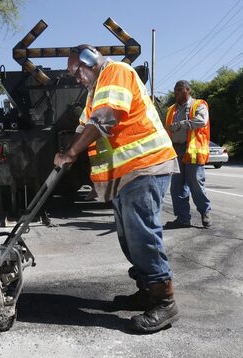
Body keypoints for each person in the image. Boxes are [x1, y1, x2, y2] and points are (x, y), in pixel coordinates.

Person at [54, 45, 180, 333]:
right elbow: (85, 125)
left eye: (77, 71)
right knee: (129, 238)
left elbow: (105, 119)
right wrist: (66, 151)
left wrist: (72, 152)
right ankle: (148, 290)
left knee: (142, 235)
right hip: (125, 175)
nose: (76, 78)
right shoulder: (95, 91)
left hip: (145, 166)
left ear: (90, 60)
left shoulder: (116, 73)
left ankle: (165, 301)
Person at [164, 80, 212, 229]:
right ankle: (183, 218)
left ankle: (205, 212)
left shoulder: (199, 105)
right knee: (177, 187)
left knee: (196, 184)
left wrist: (182, 124)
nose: (176, 93)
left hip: (192, 150)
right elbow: (167, 129)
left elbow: (202, 121)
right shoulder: (171, 109)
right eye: (175, 90)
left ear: (187, 90)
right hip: (176, 151)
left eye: (179, 90)